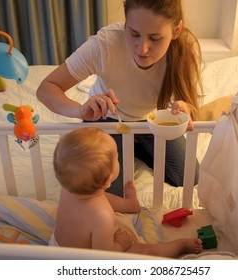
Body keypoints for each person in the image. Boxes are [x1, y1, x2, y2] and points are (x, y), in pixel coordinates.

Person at [37, 0, 202, 197]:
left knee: (190, 178)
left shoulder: (183, 51)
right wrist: (80, 110)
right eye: (133, 34)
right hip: (107, 117)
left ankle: (134, 146)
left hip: (153, 120)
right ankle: (130, 146)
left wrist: (185, 109)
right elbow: (46, 88)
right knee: (107, 191)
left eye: (155, 38)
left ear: (176, 31)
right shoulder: (104, 44)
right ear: (125, 24)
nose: (142, 49)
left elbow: (189, 104)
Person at [51, 127, 203, 257]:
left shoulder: (71, 189)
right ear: (107, 182)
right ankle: (180, 246)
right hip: (85, 264)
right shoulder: (100, 218)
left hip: (58, 249)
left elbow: (100, 198)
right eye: (117, 157)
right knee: (145, 252)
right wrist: (120, 245)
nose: (119, 158)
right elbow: (104, 259)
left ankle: (130, 205)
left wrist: (128, 204)